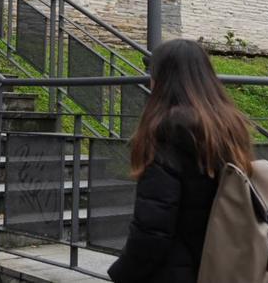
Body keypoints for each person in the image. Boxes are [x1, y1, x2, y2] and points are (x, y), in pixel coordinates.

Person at [107, 39, 254, 283]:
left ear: (164, 81)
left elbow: (152, 230)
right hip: (218, 263)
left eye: (153, 75)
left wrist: (122, 273)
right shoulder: (228, 127)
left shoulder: (166, 133)